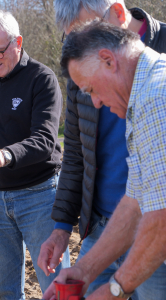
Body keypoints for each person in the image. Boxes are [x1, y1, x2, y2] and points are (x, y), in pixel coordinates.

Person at [39, 1, 166, 298]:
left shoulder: (155, 98)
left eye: (92, 90)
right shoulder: (140, 94)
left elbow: (161, 220)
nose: (94, 103)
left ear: (108, 59)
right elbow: (136, 199)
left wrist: (114, 290)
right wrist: (85, 270)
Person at [0, 10, 70, 300]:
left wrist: (7, 155)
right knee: (4, 290)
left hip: (39, 196)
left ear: (18, 42)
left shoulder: (42, 79)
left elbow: (45, 139)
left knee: (54, 286)